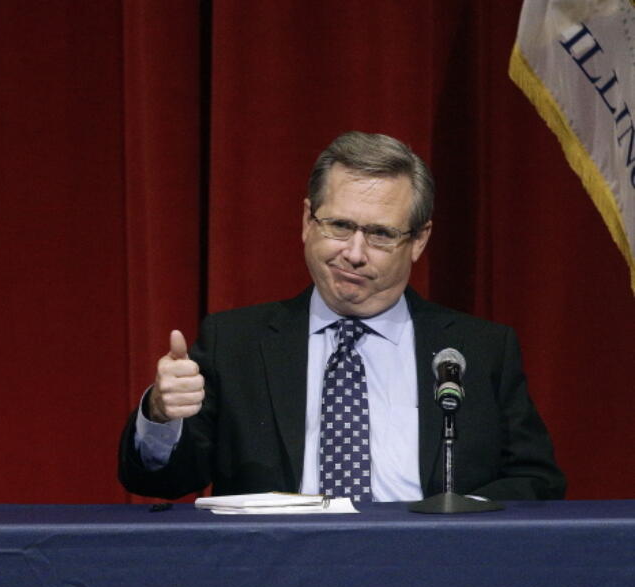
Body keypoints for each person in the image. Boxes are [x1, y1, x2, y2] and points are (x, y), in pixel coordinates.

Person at [118, 131, 564, 502]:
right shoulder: (234, 342)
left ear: (419, 240)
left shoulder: (478, 349)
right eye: (339, 226)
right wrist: (160, 414)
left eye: (380, 234)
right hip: (275, 579)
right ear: (308, 220)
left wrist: (456, 521)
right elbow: (159, 482)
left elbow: (537, 482)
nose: (354, 253)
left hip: (431, 572)